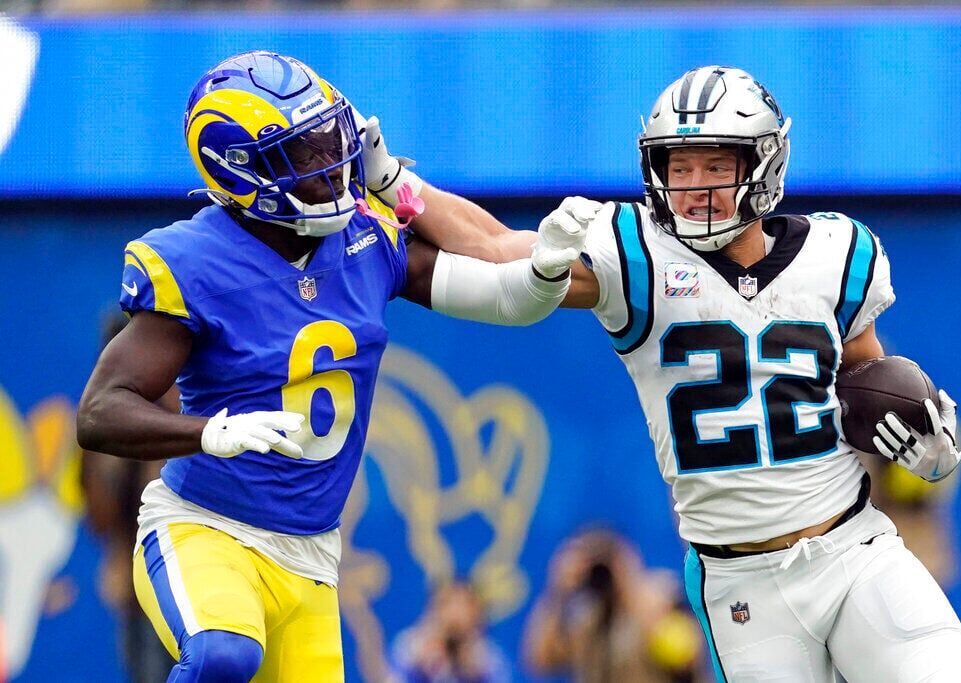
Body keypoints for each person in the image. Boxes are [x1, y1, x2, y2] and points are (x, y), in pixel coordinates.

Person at [379, 65, 961, 681]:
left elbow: (868, 377)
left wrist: (927, 445)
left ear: (764, 164)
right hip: (741, 584)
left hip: (855, 550)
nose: (694, 186)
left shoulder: (838, 252)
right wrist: (393, 180)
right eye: (679, 166)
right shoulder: (635, 253)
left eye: (716, 166)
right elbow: (492, 246)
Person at [75, 50, 588, 682]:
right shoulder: (197, 260)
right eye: (305, 153)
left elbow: (508, 298)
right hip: (206, 528)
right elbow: (100, 412)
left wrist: (545, 268)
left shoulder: (367, 241)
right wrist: (209, 431)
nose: (332, 164)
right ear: (242, 170)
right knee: (221, 654)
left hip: (311, 557)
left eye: (329, 141)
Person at [79, 313, 177, 682]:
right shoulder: (100, 431)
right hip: (137, 594)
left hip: (184, 589)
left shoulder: (177, 423)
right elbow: (100, 517)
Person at [524, 529, 706, 683]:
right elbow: (540, 661)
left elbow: (685, 657)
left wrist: (629, 586)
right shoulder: (586, 615)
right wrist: (558, 592)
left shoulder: (661, 596)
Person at [390, 580, 511, 683]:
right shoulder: (410, 646)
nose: (455, 613)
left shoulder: (489, 658)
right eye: (448, 604)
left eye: (464, 605)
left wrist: (470, 669)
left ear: (477, 614)